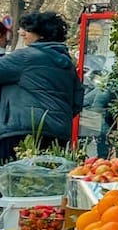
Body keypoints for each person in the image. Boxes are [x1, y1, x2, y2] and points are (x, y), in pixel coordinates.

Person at [0, 12, 85, 161]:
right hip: (59, 134)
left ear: (41, 35)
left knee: (16, 180)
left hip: (24, 133)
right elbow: (77, 102)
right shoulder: (67, 63)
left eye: (27, 29)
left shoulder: (25, 57)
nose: (21, 33)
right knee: (47, 180)